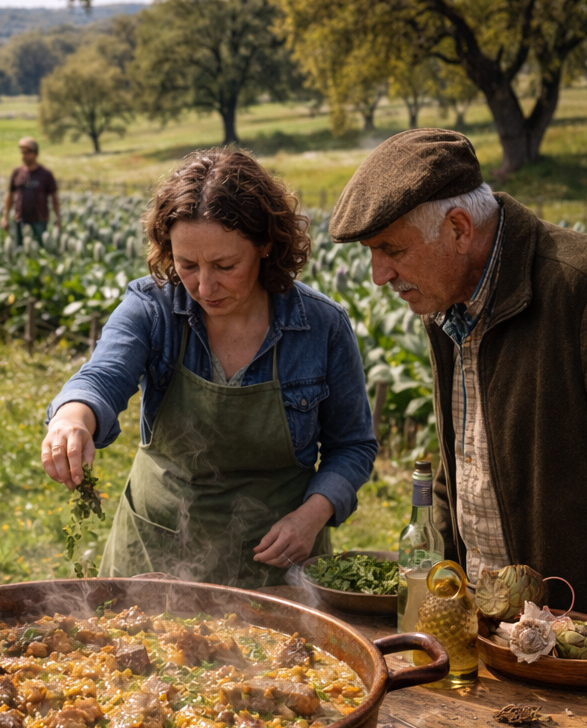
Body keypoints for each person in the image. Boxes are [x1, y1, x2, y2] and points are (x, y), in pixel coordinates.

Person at [41, 149, 377, 586]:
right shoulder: (152, 307)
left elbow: (352, 445)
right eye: (186, 265)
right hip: (157, 555)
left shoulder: (321, 326)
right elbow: (103, 375)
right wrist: (72, 418)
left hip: (276, 561)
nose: (203, 285)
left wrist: (312, 516)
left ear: (266, 245)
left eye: (225, 266)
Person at [329, 127, 587, 613]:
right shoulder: (446, 299)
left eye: (391, 249)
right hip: (488, 625)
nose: (378, 274)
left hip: (578, 641)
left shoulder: (584, 293)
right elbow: (469, 453)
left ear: (458, 228)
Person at [3, 136, 60, 246]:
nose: (23, 155)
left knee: (41, 251)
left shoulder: (45, 174)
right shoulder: (18, 173)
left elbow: (54, 198)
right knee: (20, 251)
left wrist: (57, 218)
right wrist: (5, 217)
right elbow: (11, 195)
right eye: (22, 152)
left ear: (35, 153)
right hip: (20, 220)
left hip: (40, 220)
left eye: (26, 152)